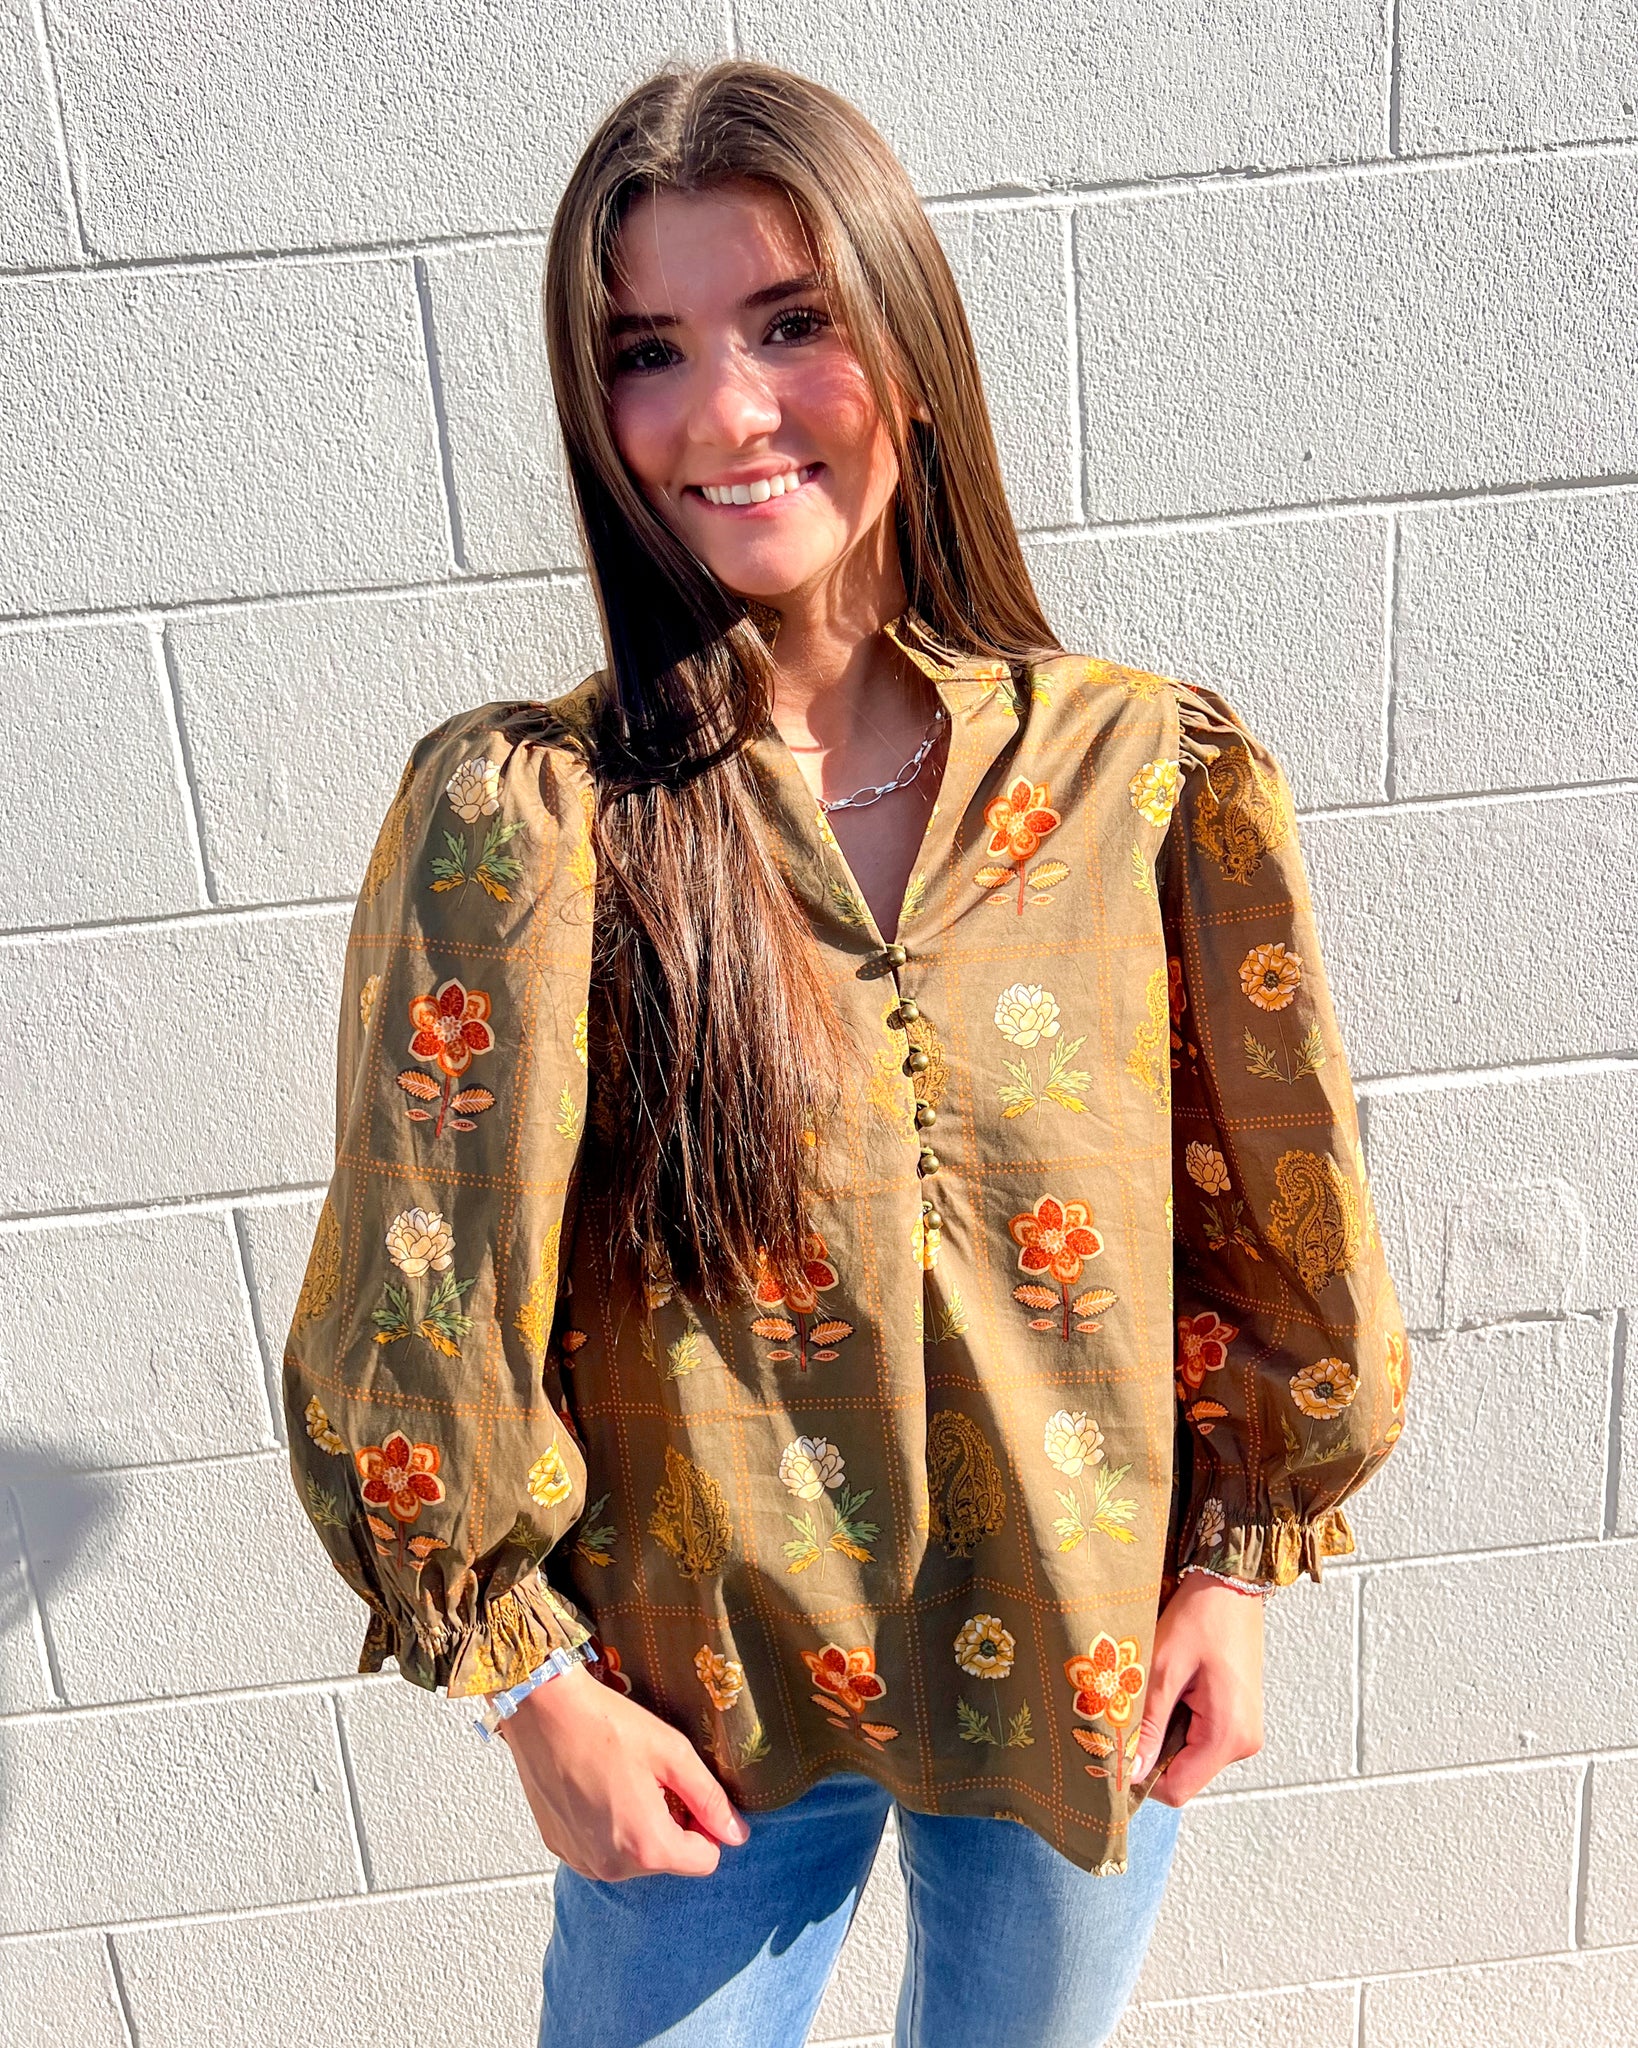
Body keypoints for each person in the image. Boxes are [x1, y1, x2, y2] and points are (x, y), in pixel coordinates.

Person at [281, 58, 1410, 2048]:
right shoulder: (535, 821)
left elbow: (1262, 1208)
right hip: (695, 1702)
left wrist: (1232, 1569)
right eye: (647, 351)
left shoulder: (1144, 777)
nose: (723, 413)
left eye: (790, 320)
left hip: (1085, 1647)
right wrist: (530, 1691)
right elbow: (421, 1281)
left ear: (910, 344)